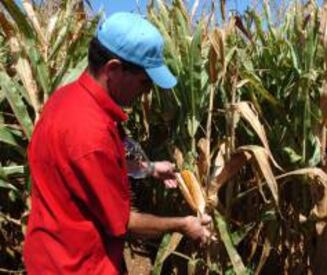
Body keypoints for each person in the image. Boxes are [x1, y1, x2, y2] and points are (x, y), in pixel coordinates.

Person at [23, 12, 211, 274]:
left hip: (48, 252)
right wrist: (183, 224)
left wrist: (150, 168)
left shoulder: (66, 99)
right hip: (76, 265)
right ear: (112, 69)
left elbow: (90, 169)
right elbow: (124, 222)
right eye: (145, 82)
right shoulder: (91, 135)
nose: (146, 93)